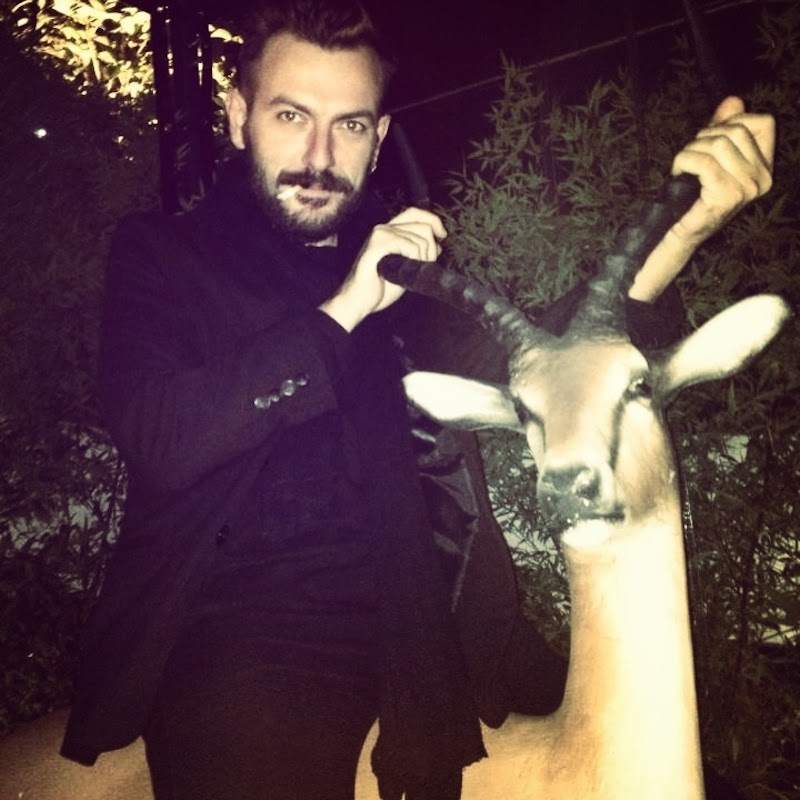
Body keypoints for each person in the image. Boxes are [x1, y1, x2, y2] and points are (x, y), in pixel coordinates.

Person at [60, 1, 775, 798]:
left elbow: (550, 357)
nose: (319, 156)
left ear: (377, 139)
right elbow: (161, 436)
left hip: (433, 630)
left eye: (349, 126)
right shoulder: (166, 257)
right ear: (237, 116)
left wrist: (688, 227)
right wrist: (346, 308)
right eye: (291, 116)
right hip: (247, 640)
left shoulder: (406, 276)